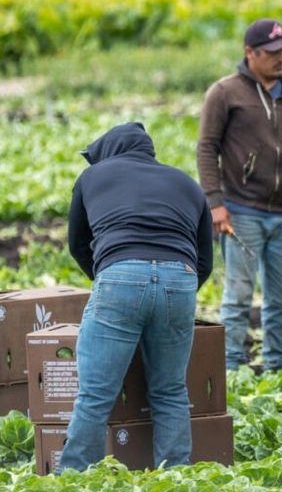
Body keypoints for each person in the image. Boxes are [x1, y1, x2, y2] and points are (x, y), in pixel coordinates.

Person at [63, 122, 213, 471]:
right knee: (171, 391)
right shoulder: (187, 183)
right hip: (181, 279)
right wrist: (175, 293)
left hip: (119, 273)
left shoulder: (93, 177)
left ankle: (72, 476)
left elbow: (77, 243)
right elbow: (204, 258)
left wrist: (109, 279)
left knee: (95, 395)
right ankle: (175, 473)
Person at [197, 19, 282, 371]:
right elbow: (206, 148)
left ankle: (277, 364)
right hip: (241, 210)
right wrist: (215, 202)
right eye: (272, 52)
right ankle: (229, 365)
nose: (280, 58)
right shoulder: (225, 93)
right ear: (249, 53)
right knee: (239, 295)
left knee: (281, 297)